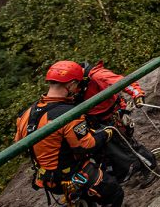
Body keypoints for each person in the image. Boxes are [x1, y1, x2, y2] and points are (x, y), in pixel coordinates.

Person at [14, 60, 123, 207]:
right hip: (70, 175)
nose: (77, 89)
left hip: (45, 178)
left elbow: (19, 145)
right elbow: (86, 146)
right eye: (77, 85)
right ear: (71, 84)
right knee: (114, 192)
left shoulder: (25, 114)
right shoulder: (68, 114)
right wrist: (107, 132)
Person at [78, 61, 155, 184]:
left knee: (127, 143)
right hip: (95, 120)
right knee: (108, 150)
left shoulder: (97, 75)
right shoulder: (71, 85)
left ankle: (149, 167)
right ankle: (124, 171)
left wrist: (137, 94)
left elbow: (121, 82)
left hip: (113, 114)